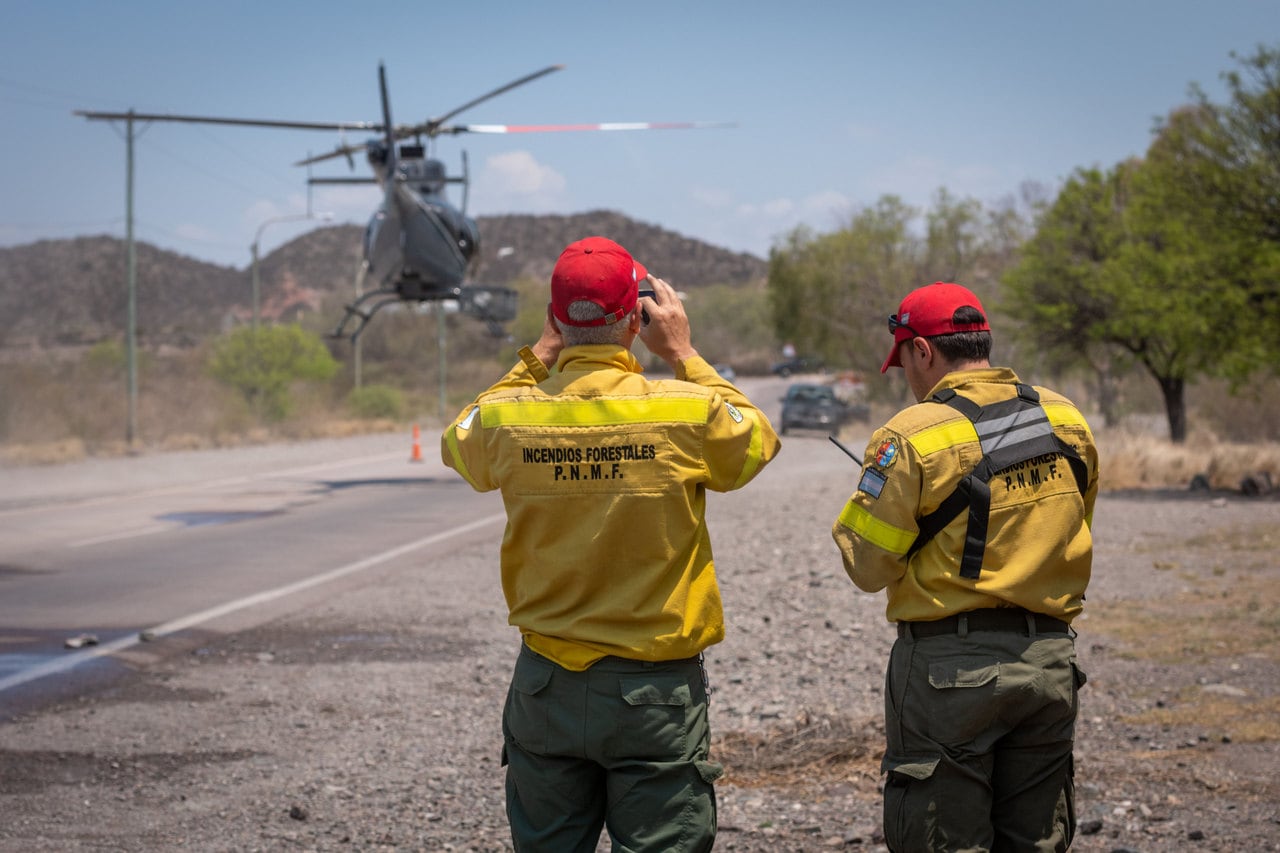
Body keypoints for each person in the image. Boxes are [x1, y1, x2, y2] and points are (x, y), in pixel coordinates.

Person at [441, 236, 781, 851]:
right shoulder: (686, 409)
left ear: (555, 319)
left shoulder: (510, 416)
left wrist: (539, 356)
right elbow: (756, 442)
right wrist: (684, 353)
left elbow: (459, 437)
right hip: (654, 693)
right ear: (636, 317)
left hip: (547, 686)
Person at [830, 281, 1099, 852]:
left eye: (903, 359)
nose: (906, 373)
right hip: (1050, 665)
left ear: (922, 350)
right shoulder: (1066, 416)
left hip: (947, 675)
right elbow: (1075, 523)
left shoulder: (911, 434)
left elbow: (868, 567)